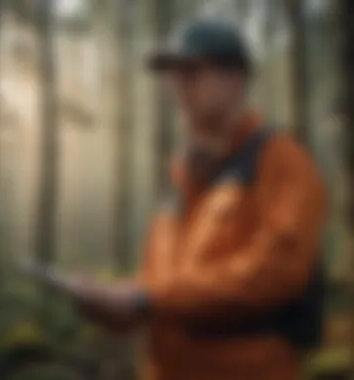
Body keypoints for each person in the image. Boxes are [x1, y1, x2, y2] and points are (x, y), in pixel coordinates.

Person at [73, 19, 328, 380]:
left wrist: (147, 300)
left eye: (191, 73)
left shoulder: (282, 162)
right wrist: (120, 300)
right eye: (172, 75)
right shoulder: (182, 176)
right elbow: (169, 281)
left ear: (235, 79)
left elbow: (275, 273)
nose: (177, 86)